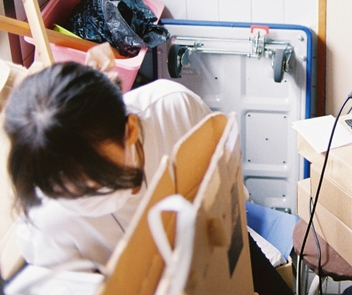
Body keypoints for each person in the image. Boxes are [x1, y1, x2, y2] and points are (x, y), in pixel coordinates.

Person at [3, 60, 294, 294]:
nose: (88, 194)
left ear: (130, 130)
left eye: (99, 178)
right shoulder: (44, 222)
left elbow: (225, 196)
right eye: (69, 189)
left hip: (209, 241)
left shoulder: (172, 110)